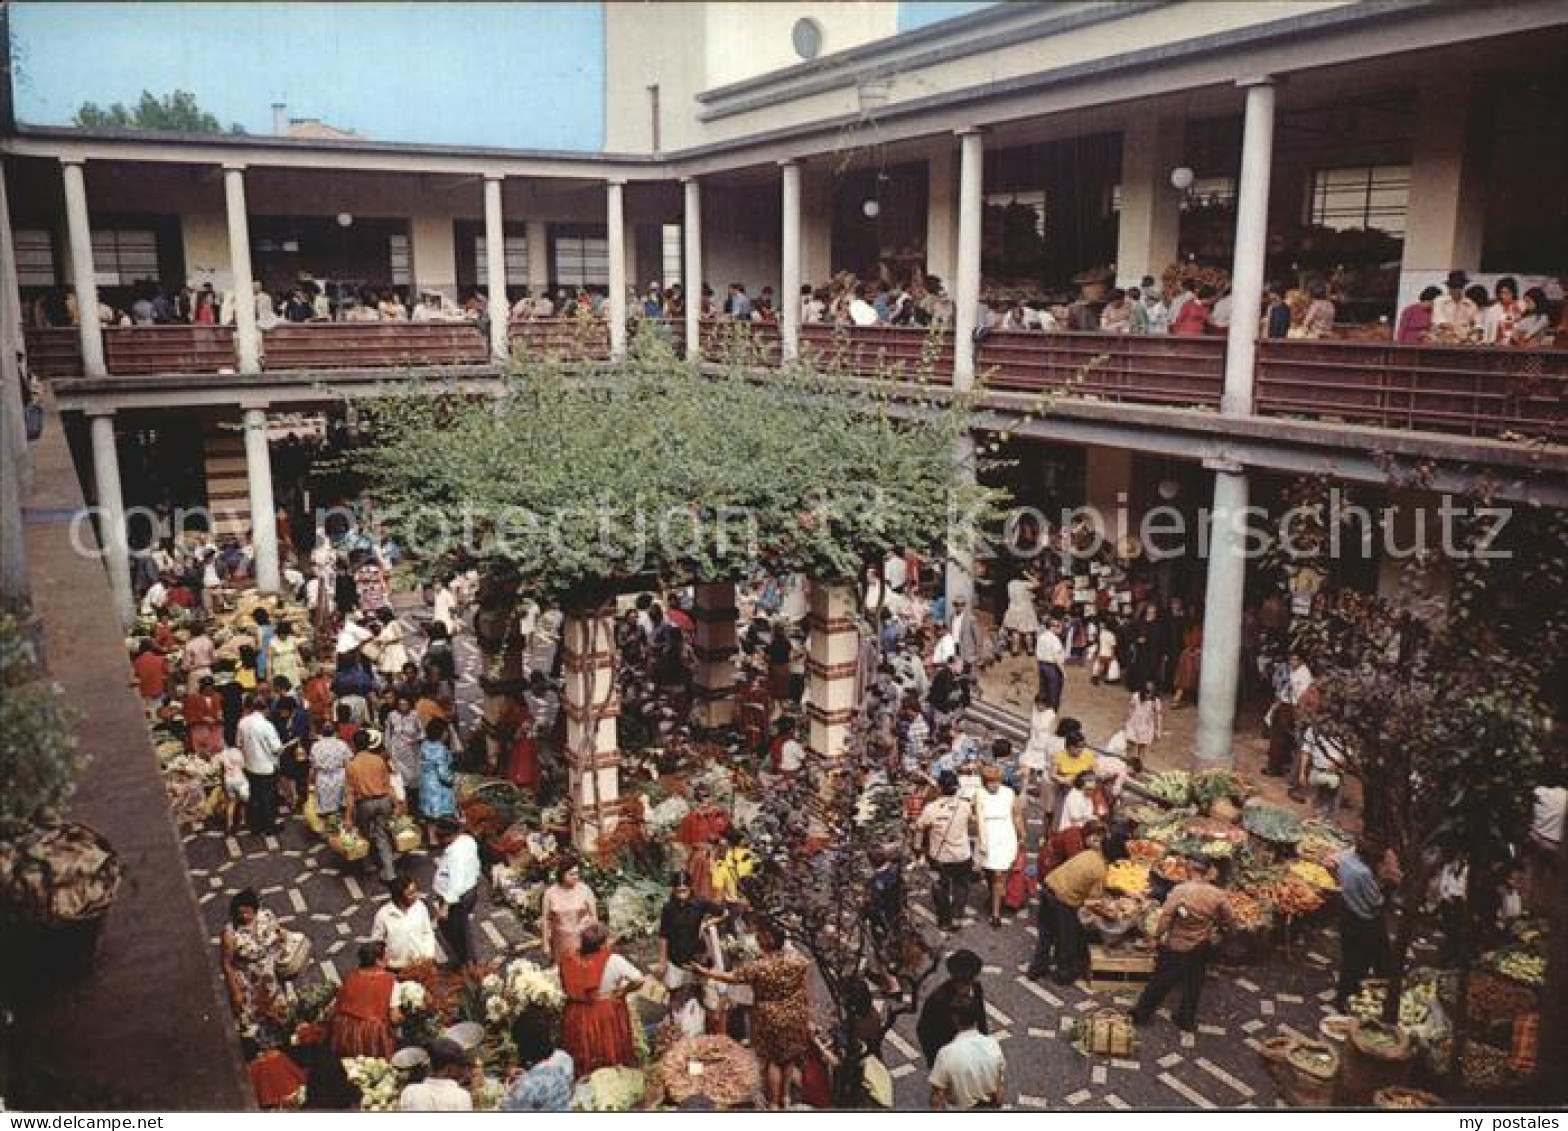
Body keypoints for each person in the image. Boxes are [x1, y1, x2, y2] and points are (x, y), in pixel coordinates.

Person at [697, 920, 811, 1111]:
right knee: (789, 1058)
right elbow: (805, 983)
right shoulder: (798, 960)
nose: (757, 940)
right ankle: (786, 1098)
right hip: (795, 1014)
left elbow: (732, 977)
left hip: (770, 1017)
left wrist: (706, 972)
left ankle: (774, 1105)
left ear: (769, 939)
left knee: (774, 1061)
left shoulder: (760, 966)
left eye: (760, 937)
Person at [1132, 856, 1234, 1032]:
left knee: (1161, 980)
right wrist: (1219, 929)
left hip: (1176, 944)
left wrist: (1155, 937)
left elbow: (1165, 918)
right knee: (1194, 983)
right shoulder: (1217, 895)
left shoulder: (1180, 891)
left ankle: (1141, 1014)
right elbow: (1230, 919)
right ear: (1207, 872)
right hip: (1201, 945)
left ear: (1190, 870)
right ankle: (1185, 1020)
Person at [1028, 823, 1120, 984]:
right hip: (1063, 899)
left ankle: (1036, 968)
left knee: (1046, 934)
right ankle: (1063, 974)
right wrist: (1111, 910)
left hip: (1048, 887)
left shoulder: (1090, 853)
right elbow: (1093, 900)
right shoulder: (1100, 869)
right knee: (1066, 938)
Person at [559, 923, 643, 1075]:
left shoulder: (571, 959)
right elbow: (638, 980)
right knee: (607, 1045)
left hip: (577, 1011)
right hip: (605, 1010)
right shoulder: (613, 960)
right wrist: (623, 991)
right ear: (602, 943)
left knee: (584, 1049)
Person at [219, 888, 294, 1046]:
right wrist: (235, 991)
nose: (244, 917)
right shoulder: (230, 933)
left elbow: (279, 931)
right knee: (253, 1020)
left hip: (271, 977)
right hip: (248, 983)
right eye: (240, 913)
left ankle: (284, 1045)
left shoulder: (266, 916)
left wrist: (286, 940)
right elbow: (227, 964)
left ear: (255, 909)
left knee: (279, 1013)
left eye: (247, 912)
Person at [1334, 837, 1392, 1010]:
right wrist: (1385, 886)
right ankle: (1347, 1000)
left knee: (1349, 959)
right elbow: (1376, 901)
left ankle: (1345, 997)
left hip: (1347, 913)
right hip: (1363, 920)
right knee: (1358, 963)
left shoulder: (1346, 857)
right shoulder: (1363, 874)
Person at [914, 769, 975, 931]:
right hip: (962, 854)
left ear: (940, 788)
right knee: (961, 886)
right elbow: (971, 820)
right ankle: (957, 917)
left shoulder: (931, 809)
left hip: (939, 856)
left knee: (940, 887)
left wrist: (918, 848)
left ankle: (944, 920)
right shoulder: (965, 806)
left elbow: (919, 827)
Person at [655, 871, 724, 1008]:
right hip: (675, 956)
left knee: (699, 991)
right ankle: (676, 1023)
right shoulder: (668, 908)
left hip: (695, 956)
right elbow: (663, 935)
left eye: (684, 891)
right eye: (678, 891)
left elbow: (723, 912)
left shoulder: (701, 902)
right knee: (675, 993)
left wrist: (708, 923)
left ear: (690, 888)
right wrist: (662, 961)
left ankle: (698, 1022)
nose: (681, 895)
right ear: (673, 890)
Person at [928, 989, 1004, 1110]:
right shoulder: (993, 1044)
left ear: (955, 1019)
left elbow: (936, 1098)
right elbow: (999, 1093)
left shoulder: (946, 1054)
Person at [916, 949, 989, 1068]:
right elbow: (923, 1032)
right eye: (961, 981)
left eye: (968, 981)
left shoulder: (977, 989)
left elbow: (981, 1017)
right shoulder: (937, 1000)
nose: (965, 987)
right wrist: (936, 1060)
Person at [345, 730, 400, 884]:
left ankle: (367, 864)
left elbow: (350, 793)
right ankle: (390, 872)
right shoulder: (379, 760)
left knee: (364, 833)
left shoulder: (351, 765)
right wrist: (396, 805)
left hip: (365, 804)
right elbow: (388, 785)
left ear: (354, 745)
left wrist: (348, 817)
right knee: (383, 836)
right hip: (384, 801)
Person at [329, 941, 400, 1058]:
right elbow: (394, 1017)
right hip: (371, 1034)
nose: (388, 958)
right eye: (386, 956)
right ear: (378, 961)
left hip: (344, 1030)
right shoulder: (390, 980)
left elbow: (338, 1004)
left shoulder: (350, 976)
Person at [975, 764, 1024, 928]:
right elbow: (980, 820)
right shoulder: (979, 794)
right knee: (990, 873)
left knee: (999, 875)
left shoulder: (1009, 793)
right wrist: (982, 842)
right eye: (989, 782)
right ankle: (995, 896)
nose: (993, 785)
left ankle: (996, 913)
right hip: (988, 836)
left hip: (1004, 835)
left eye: (996, 781)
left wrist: (1022, 834)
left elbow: (1016, 816)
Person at [502, 1008, 575, 1112]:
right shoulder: (564, 1058)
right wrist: (527, 1075)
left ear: (525, 1047)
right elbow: (569, 1091)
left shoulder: (525, 1086)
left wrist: (509, 1092)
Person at [431, 816, 481, 967]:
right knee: (460, 927)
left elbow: (456, 881)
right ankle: (467, 960)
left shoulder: (455, 854)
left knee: (456, 929)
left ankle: (467, 962)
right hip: (469, 890)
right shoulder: (467, 840)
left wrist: (446, 905)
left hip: (457, 897)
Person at [371, 873, 441, 970]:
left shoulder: (420, 907)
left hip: (422, 963)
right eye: (411, 893)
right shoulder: (383, 916)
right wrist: (385, 962)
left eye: (415, 891)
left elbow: (427, 932)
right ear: (399, 897)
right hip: (396, 968)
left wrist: (428, 955)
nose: (416, 895)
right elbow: (377, 942)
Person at [237, 693, 283, 834]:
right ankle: (269, 826)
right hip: (266, 767)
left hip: (249, 766)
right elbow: (276, 748)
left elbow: (239, 744)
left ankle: (255, 826)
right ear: (266, 709)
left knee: (254, 797)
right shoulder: (267, 725)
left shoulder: (242, 722)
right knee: (268, 799)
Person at [541, 858, 600, 967]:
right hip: (560, 941)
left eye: (577, 873)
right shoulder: (550, 893)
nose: (575, 877)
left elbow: (594, 918)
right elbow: (545, 920)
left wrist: (592, 936)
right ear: (562, 874)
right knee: (564, 970)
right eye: (571, 874)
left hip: (582, 939)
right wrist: (545, 943)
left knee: (582, 968)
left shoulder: (585, 890)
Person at [398, 1038, 475, 1111]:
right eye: (460, 1067)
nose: (463, 1072)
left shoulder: (408, 1092)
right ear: (449, 1069)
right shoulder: (462, 1097)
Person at [418, 717, 458, 836]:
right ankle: (445, 837)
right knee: (442, 814)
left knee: (430, 815)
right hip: (437, 786)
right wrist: (454, 779)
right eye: (446, 731)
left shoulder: (424, 745)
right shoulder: (440, 749)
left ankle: (432, 838)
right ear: (440, 732)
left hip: (425, 782)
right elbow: (443, 773)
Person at [1124, 682, 1164, 766]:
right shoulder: (1136, 696)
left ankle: (1139, 767)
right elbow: (1131, 708)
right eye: (1146, 692)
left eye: (1150, 692)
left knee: (1142, 748)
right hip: (1134, 724)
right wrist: (1127, 721)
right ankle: (1127, 764)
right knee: (1130, 745)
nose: (1148, 695)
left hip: (1146, 727)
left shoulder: (1156, 701)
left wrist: (1158, 730)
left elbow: (1159, 716)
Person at [1002, 572, 1040, 656]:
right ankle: (1030, 649)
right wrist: (1028, 574)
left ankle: (1015, 649)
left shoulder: (1010, 584)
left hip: (1013, 608)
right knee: (1027, 631)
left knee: (1015, 631)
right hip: (1025, 609)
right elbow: (1037, 584)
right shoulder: (1024, 584)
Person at [1035, 615, 1066, 710]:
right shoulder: (1055, 639)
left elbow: (1037, 652)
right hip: (1052, 666)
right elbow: (1057, 657)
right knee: (1054, 690)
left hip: (1041, 664)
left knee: (1043, 687)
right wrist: (1063, 671)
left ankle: (1041, 706)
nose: (1061, 629)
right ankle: (1052, 709)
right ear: (1052, 627)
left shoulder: (1041, 637)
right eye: (1059, 626)